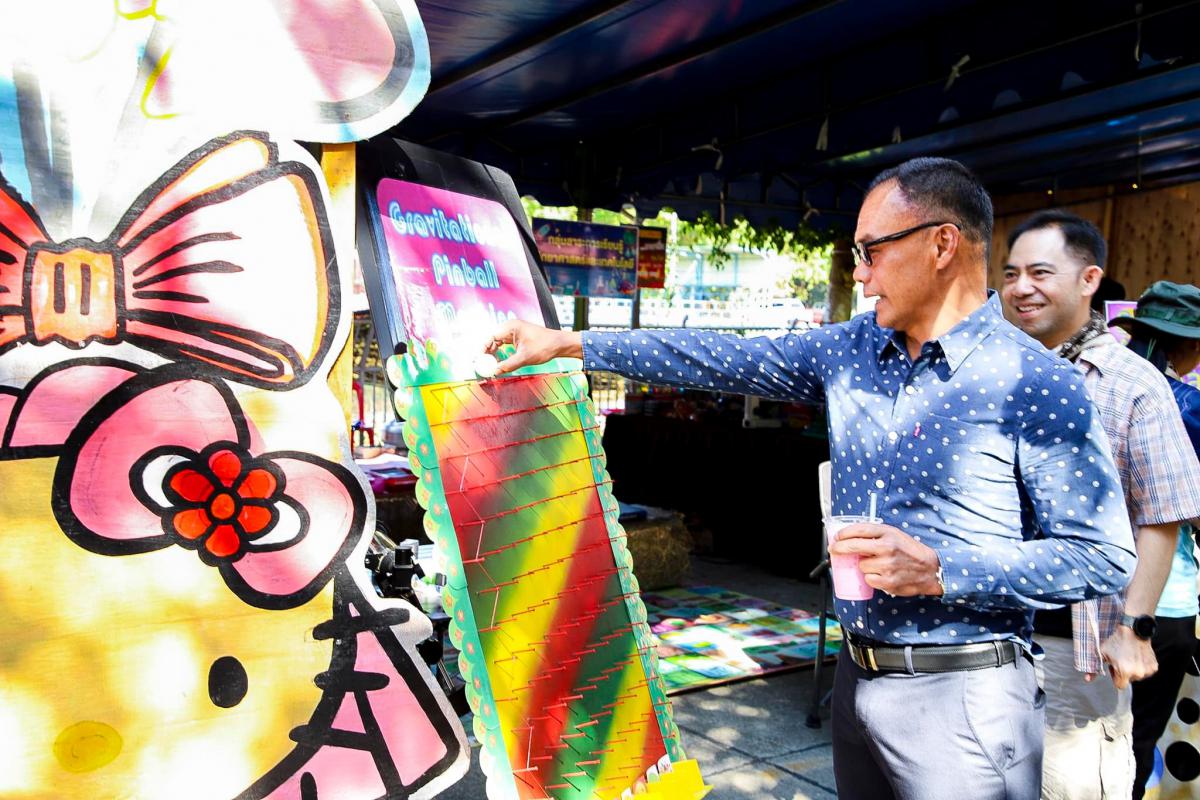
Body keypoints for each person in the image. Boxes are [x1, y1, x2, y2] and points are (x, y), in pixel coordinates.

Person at [487, 157, 1136, 800]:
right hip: (857, 681)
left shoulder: (1035, 381)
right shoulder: (851, 349)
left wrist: (941, 569)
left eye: (871, 251)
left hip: (965, 696)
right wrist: (569, 344)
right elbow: (719, 356)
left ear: (942, 244)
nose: (859, 274)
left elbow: (1102, 557)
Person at [1000, 211, 1200, 800]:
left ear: (1090, 280)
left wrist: (1136, 628)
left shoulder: (1132, 383)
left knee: (1074, 783)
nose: (1021, 287)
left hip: (1078, 640)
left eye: (1040, 272)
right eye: (1010, 274)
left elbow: (1164, 514)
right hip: (987, 630)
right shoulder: (994, 369)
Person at [1110, 281, 1200, 799]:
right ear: (1190, 347)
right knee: (1137, 744)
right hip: (1164, 603)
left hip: (1087, 598)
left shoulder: (1094, 388)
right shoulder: (1189, 406)